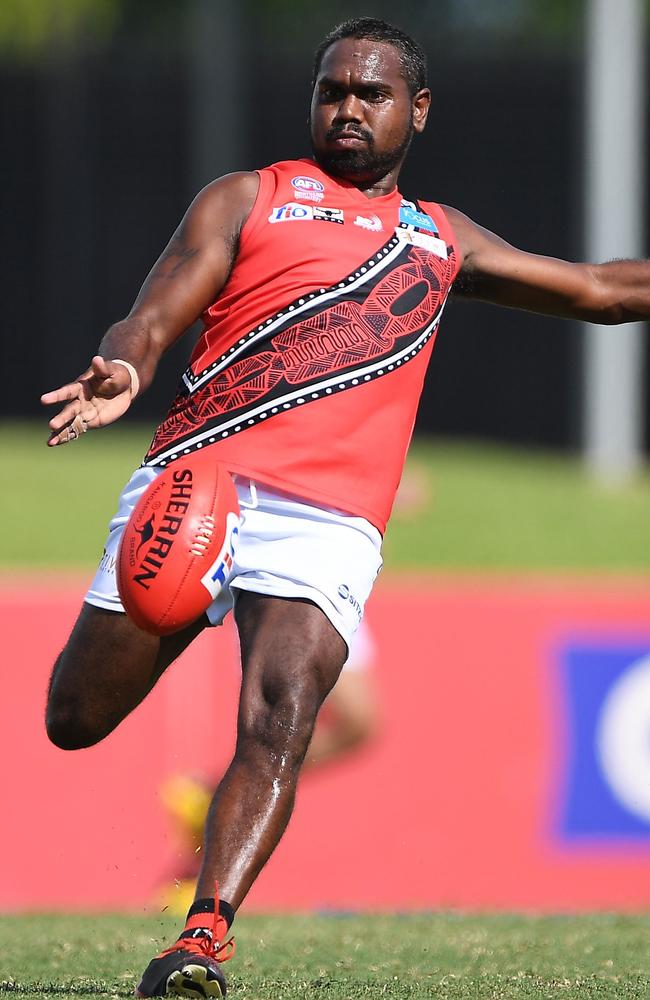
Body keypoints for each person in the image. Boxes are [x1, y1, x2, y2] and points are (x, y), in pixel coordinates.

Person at [41, 16, 650, 999]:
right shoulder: (251, 196)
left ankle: (200, 939)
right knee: (74, 717)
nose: (346, 108)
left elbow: (597, 288)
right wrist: (127, 358)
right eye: (331, 90)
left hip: (326, 518)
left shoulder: (439, 238)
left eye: (370, 94)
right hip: (199, 482)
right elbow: (159, 301)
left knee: (281, 714)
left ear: (417, 110)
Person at [158, 620, 379, 916]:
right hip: (289, 589)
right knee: (279, 723)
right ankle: (201, 886)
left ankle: (210, 797)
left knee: (358, 722)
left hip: (344, 581)